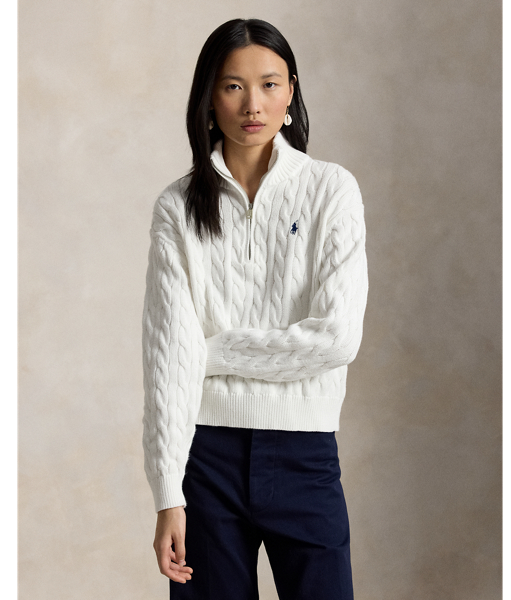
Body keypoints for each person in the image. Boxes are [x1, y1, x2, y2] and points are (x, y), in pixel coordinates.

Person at [142, 18, 368, 600]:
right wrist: (168, 494)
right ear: (209, 98)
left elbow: (338, 337)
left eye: (269, 84)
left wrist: (212, 353)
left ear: (291, 91)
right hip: (205, 457)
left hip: (304, 453)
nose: (253, 105)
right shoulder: (177, 206)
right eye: (233, 86)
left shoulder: (331, 190)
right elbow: (166, 359)